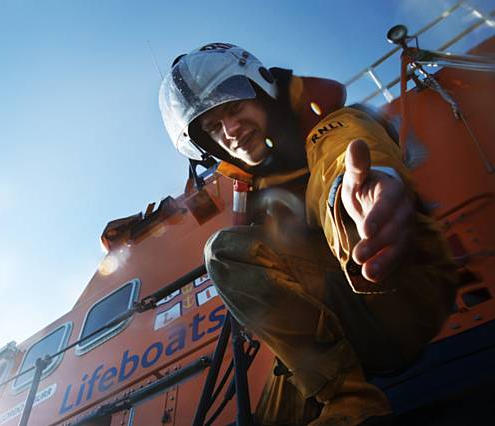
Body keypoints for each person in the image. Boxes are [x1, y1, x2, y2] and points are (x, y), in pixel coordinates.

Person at [158, 43, 457, 425]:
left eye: (234, 108)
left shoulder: (332, 124)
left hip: (402, 293)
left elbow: (340, 153)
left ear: (261, 91)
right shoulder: (254, 191)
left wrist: (347, 198)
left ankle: (352, 403)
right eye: (214, 127)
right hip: (346, 333)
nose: (230, 130)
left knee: (223, 250)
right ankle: (341, 397)